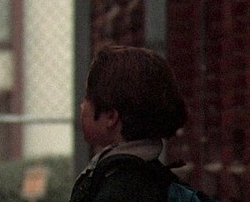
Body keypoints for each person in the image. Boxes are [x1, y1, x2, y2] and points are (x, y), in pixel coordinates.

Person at [69, 45, 189, 201]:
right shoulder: (153, 177)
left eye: (87, 97)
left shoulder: (120, 189)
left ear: (111, 117)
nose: (82, 105)